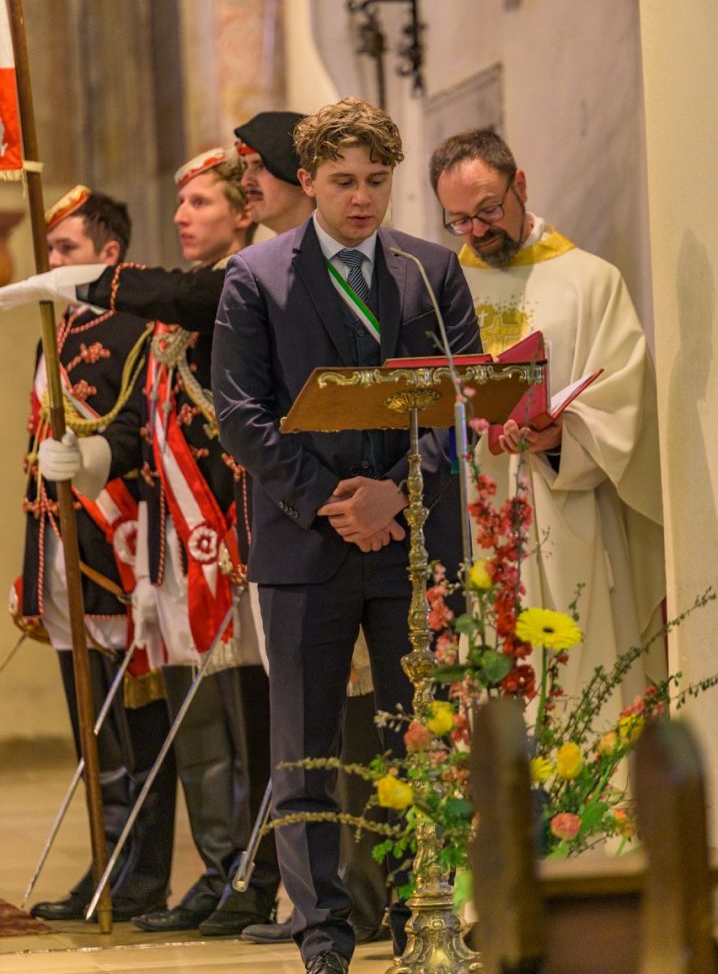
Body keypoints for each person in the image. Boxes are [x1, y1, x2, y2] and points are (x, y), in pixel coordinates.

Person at [211, 97, 480, 974]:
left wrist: (396, 498)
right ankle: (322, 934)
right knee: (307, 748)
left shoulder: (428, 270)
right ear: (307, 183)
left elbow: (462, 398)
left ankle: (418, 920)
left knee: (416, 742)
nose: (362, 199)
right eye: (342, 182)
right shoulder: (258, 276)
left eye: (376, 181)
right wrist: (333, 500)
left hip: (410, 543)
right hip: (305, 544)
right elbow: (241, 417)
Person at [3, 149, 282, 936]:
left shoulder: (234, 289)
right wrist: (91, 460)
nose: (184, 214)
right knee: (197, 733)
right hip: (168, 551)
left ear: (245, 210)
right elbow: (138, 432)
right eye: (181, 200)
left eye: (200, 201)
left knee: (242, 725)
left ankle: (248, 876)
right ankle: (211, 872)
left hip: (226, 543)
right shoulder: (152, 327)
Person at [429, 128, 666, 710]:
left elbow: (622, 400)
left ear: (522, 185)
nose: (479, 231)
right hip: (473, 518)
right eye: (460, 220)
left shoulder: (590, 280)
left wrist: (563, 437)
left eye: (489, 209)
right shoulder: (437, 293)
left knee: (580, 683)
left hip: (567, 513)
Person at [10, 187, 176, 921]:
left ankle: (140, 879)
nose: (53, 262)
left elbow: (144, 436)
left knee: (135, 730)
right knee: (93, 735)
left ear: (110, 255)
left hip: (117, 554)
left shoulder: (138, 328)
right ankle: (106, 868)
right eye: (49, 250)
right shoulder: (60, 329)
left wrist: (92, 457)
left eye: (66, 250)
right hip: (62, 552)